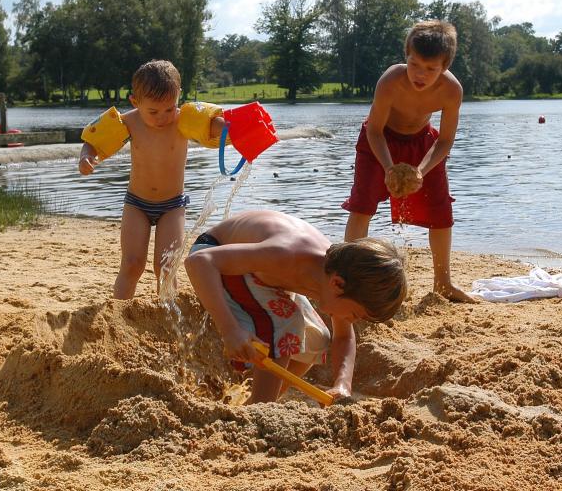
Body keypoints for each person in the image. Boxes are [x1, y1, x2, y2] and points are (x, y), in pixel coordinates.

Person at [184, 209, 407, 404]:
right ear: (338, 284)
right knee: (286, 323)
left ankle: (257, 401)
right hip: (217, 256)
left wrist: (342, 385)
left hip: (260, 274)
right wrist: (230, 330)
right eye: (356, 314)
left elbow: (343, 338)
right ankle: (260, 407)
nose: (353, 320)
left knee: (317, 339)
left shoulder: (339, 275)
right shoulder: (286, 254)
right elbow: (199, 262)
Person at [342, 20, 475, 303]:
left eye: (431, 69)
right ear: (406, 56)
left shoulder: (452, 90)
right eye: (415, 64)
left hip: (423, 142)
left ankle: (443, 283)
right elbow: (374, 130)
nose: (420, 74)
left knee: (441, 210)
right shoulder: (391, 80)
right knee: (362, 204)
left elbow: (445, 140)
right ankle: (348, 276)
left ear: (445, 66)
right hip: (379, 140)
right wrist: (389, 167)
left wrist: (421, 170)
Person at [79, 59, 225, 298]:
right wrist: (86, 157)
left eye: (170, 108)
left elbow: (213, 125)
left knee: (166, 267)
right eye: (153, 111)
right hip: (137, 204)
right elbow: (94, 141)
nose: (162, 117)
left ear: (179, 97)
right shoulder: (129, 122)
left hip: (172, 206)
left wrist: (232, 126)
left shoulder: (183, 120)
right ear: (135, 102)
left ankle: (166, 317)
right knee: (132, 263)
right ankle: (119, 314)